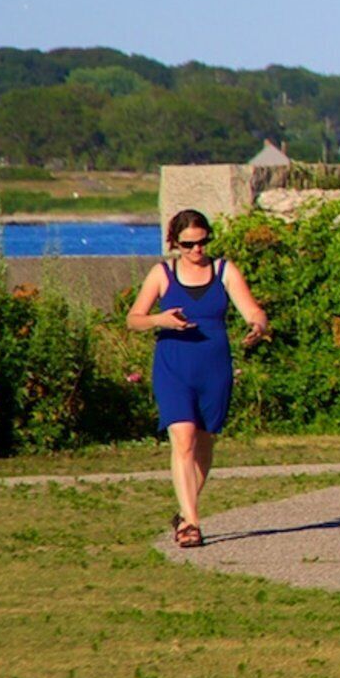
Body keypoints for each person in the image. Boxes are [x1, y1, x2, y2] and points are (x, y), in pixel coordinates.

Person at [128, 208, 268, 546]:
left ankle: (184, 510)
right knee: (184, 438)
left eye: (203, 242)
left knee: (204, 445)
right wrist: (161, 320)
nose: (197, 251)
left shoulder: (224, 271)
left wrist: (258, 327)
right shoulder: (162, 274)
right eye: (189, 244)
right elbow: (134, 318)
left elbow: (252, 310)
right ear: (174, 243)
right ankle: (191, 522)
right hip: (173, 366)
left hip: (214, 368)